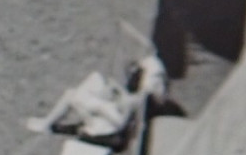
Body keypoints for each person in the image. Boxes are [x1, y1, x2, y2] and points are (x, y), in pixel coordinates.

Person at [25, 53, 169, 141]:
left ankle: (47, 124)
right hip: (114, 113)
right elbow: (125, 103)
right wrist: (115, 91)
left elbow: (121, 122)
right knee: (95, 78)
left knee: (72, 95)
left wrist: (103, 108)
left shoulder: (139, 98)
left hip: (109, 126)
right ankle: (50, 120)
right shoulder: (142, 93)